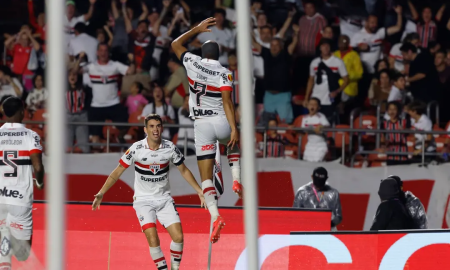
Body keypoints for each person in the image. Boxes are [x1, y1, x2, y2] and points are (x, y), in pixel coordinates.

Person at [92, 114, 205, 270]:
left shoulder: (170, 148)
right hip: (143, 201)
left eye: (158, 126)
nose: (155, 129)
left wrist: (199, 190)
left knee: (178, 237)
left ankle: (174, 268)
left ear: (162, 128)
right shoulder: (136, 149)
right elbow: (117, 172)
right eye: (151, 126)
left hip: (164, 199)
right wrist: (102, 192)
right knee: (153, 238)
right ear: (145, 130)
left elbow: (184, 170)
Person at [171, 17, 243, 243]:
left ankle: (216, 216)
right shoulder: (225, 72)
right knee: (233, 142)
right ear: (219, 56)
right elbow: (227, 102)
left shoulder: (192, 61)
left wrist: (196, 29)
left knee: (205, 179)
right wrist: (233, 129)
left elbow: (175, 44)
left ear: (203, 53)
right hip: (221, 121)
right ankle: (236, 178)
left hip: (201, 125)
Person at [0, 97, 45, 268]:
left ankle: (4, 249)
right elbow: (38, 167)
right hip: (20, 198)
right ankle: (5, 255)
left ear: (4, 113)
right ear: (22, 112)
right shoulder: (30, 135)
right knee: (22, 254)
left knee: (3, 235)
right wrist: (40, 182)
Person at [77, 45, 135, 145]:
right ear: (97, 52)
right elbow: (76, 71)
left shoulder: (115, 65)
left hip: (113, 103)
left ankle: (119, 138)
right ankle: (97, 155)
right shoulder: (91, 66)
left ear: (108, 53)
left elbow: (131, 71)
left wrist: (132, 61)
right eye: (101, 50)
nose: (103, 53)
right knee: (95, 136)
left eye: (105, 50)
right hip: (97, 105)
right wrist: (79, 59)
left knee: (125, 126)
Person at [350, 6, 403, 103]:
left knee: (376, 96)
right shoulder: (357, 36)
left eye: (376, 23)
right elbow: (349, 52)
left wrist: (399, 13)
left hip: (376, 73)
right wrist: (359, 48)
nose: (374, 25)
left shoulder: (380, 33)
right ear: (366, 23)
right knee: (362, 97)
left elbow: (398, 27)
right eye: (372, 23)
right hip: (363, 72)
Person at [253, 25, 299, 123]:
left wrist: (296, 33)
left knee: (285, 121)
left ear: (281, 46)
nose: (274, 47)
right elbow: (253, 42)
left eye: (276, 45)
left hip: (283, 95)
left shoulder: (286, 53)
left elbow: (294, 42)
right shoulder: (266, 53)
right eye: (272, 45)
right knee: (268, 121)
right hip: (269, 95)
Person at [305, 38, 349, 121]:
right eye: (323, 46)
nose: (325, 48)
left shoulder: (338, 62)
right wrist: (306, 98)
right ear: (320, 48)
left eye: (327, 46)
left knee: (328, 123)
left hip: (329, 99)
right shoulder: (314, 62)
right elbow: (311, 80)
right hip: (315, 98)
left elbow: (346, 80)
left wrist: (337, 91)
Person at [293, 167, 342, 231]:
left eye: (321, 181)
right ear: (312, 177)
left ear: (326, 179)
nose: (319, 184)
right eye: (317, 180)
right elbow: (295, 214)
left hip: (328, 229)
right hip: (307, 228)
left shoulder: (333, 193)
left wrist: (328, 224)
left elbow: (338, 216)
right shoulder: (302, 192)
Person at [333, 35, 363, 119]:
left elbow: (359, 73)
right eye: (340, 42)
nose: (342, 44)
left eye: (344, 42)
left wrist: (345, 76)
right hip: (335, 86)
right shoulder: (335, 54)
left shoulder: (354, 55)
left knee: (345, 112)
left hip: (348, 88)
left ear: (348, 43)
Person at [67, 69, 91, 154]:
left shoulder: (84, 88)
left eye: (74, 75)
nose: (72, 77)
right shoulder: (62, 88)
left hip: (81, 116)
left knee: (83, 145)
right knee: (66, 145)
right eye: (70, 75)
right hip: (68, 116)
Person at [301, 98, 330, 162]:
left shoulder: (321, 116)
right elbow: (302, 131)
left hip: (320, 145)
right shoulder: (304, 118)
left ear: (318, 107)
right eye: (311, 104)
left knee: (317, 165)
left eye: (315, 104)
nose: (312, 106)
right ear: (307, 106)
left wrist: (321, 126)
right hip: (309, 145)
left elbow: (327, 126)